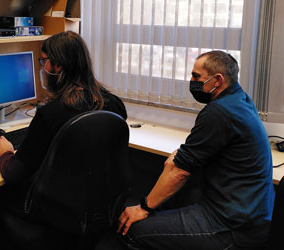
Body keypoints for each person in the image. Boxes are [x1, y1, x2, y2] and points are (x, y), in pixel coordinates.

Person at [116, 51, 274, 250]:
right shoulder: (239, 100)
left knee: (132, 230)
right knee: (173, 196)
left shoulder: (219, 112)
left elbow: (179, 170)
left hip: (231, 226)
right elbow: (186, 159)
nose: (191, 81)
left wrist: (143, 208)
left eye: (196, 76)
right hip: (248, 215)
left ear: (217, 80)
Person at [0, 31, 127, 249]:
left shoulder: (51, 113)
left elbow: (15, 174)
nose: (41, 68)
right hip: (96, 206)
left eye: (43, 62)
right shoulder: (114, 104)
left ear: (56, 67)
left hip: (53, 209)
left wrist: (6, 153)